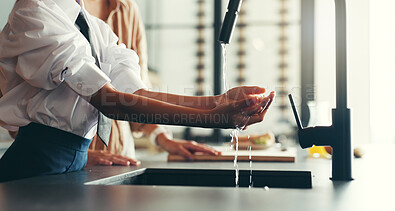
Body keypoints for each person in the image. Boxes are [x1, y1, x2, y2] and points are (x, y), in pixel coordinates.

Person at [0, 0, 274, 182]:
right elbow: (111, 102)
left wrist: (217, 102)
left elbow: (138, 92)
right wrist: (214, 117)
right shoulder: (35, 11)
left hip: (75, 165)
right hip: (35, 165)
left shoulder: (94, 27)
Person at [84, 0, 222, 166]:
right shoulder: (55, 8)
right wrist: (76, 155)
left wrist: (163, 139)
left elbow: (137, 93)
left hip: (120, 155)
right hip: (68, 161)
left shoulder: (127, 9)